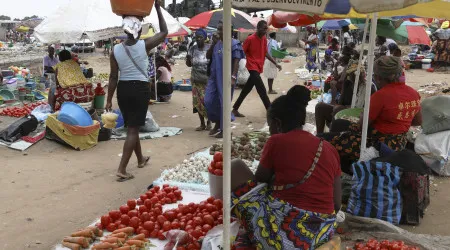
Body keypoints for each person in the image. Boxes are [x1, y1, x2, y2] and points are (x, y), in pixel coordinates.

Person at [230, 85, 341, 249]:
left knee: (235, 166)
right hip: (321, 235)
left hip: (283, 239)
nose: (270, 131)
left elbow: (260, 184)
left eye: (270, 126)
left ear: (277, 123)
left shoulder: (276, 141)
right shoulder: (330, 149)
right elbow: (336, 205)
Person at [106, 0, 168, 182]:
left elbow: (113, 77)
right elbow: (164, 32)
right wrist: (157, 8)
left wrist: (109, 99)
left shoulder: (115, 50)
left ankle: (140, 159)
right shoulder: (144, 45)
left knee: (133, 124)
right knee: (133, 128)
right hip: (140, 89)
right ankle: (122, 169)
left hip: (123, 90)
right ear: (138, 29)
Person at [322, 56, 422, 164]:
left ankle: (347, 168)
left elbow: (362, 125)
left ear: (378, 78)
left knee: (325, 140)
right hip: (400, 143)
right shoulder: (413, 93)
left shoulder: (380, 96)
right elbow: (418, 121)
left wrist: (362, 116)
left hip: (378, 145)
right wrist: (398, 122)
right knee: (339, 123)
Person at [232, 20, 282, 118]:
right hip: (252, 66)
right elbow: (242, 51)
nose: (265, 30)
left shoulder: (264, 39)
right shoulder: (250, 39)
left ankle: (235, 109)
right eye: (264, 28)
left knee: (246, 89)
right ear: (258, 28)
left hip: (259, 67)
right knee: (261, 89)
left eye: (266, 28)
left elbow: (266, 53)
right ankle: (270, 110)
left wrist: (275, 63)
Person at [204, 21, 245, 138]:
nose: (219, 32)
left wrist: (233, 77)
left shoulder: (235, 44)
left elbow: (236, 61)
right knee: (208, 101)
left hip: (226, 78)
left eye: (221, 29)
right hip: (213, 77)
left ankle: (223, 128)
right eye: (218, 29)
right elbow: (208, 56)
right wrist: (213, 43)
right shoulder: (217, 44)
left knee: (224, 103)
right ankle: (217, 121)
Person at [186, 29, 211, 131]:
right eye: (197, 38)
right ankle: (202, 124)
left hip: (207, 81)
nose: (199, 40)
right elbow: (189, 64)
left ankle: (209, 122)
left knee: (207, 102)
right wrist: (188, 59)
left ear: (205, 38)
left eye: (201, 38)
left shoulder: (209, 49)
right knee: (198, 103)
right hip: (196, 80)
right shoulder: (192, 49)